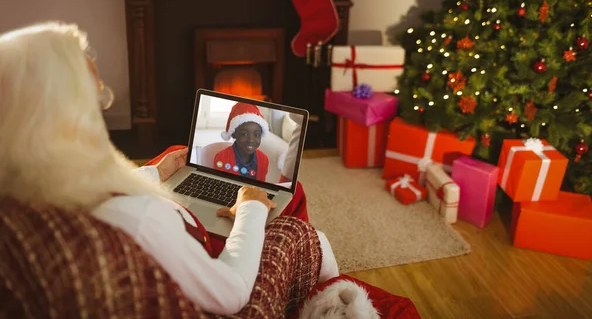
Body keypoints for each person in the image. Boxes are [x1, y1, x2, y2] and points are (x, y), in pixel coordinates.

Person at [0, 22, 339, 316]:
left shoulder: (22, 201)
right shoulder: (139, 217)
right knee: (303, 234)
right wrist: (250, 206)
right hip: (225, 300)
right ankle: (338, 302)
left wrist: (155, 174)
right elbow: (231, 293)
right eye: (95, 99)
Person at [213, 102, 270, 181]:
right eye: (244, 134)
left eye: (256, 135)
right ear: (234, 134)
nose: (251, 140)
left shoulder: (264, 159)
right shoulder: (221, 158)